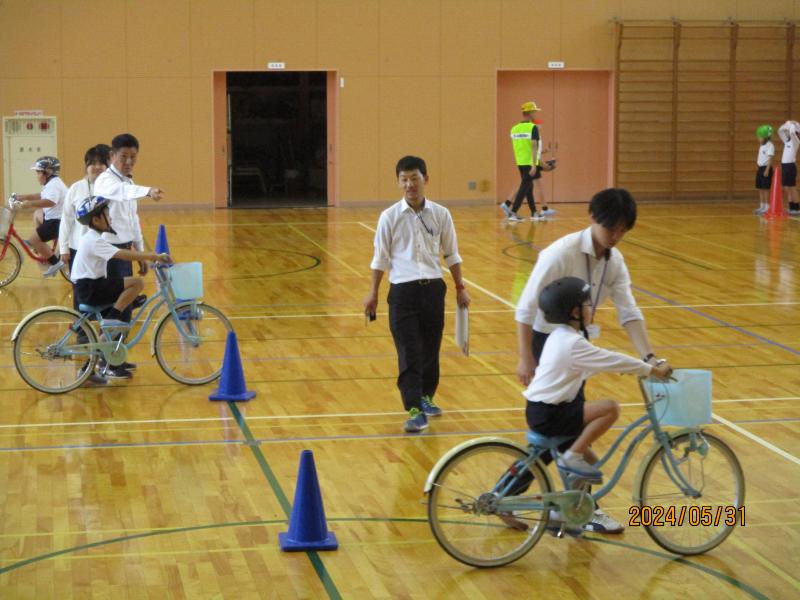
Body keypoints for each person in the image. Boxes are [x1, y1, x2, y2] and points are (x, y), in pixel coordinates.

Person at [515, 187, 670, 534]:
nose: (615, 236)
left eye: (622, 231)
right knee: (563, 434)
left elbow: (629, 311)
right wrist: (525, 358)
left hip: (575, 340)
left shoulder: (614, 261)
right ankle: (579, 509)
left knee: (562, 436)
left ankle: (570, 508)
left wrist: (649, 355)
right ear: (593, 219)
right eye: (610, 228)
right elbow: (525, 309)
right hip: (549, 341)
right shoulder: (561, 253)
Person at [524, 277, 671, 530]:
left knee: (590, 463)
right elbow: (609, 358)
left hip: (542, 410)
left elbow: (582, 367)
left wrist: (626, 368)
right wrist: (650, 369)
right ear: (575, 312)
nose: (592, 308)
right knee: (610, 408)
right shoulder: (573, 342)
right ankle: (571, 456)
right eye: (587, 304)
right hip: (551, 413)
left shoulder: (560, 336)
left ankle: (564, 511)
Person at [364, 155, 471, 433]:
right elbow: (380, 259)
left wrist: (460, 288)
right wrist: (373, 293)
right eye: (404, 179)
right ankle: (413, 408)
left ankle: (426, 397)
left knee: (431, 349)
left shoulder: (441, 214)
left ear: (426, 179)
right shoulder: (389, 217)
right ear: (398, 182)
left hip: (433, 290)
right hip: (402, 293)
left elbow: (452, 254)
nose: (409, 184)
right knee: (409, 350)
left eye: (414, 178)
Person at [70, 196, 170, 379]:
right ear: (96, 220)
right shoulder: (94, 240)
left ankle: (97, 365)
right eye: (107, 214)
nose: (111, 217)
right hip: (90, 288)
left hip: (91, 286)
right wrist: (153, 256)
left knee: (125, 306)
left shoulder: (93, 238)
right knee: (137, 283)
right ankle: (112, 317)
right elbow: (122, 254)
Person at [93, 133, 164, 320]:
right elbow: (123, 192)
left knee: (125, 311)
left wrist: (139, 252)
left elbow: (133, 220)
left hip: (125, 252)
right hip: (110, 254)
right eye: (123, 156)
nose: (129, 162)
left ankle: (115, 336)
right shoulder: (105, 181)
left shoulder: (128, 182)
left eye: (133, 157)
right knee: (115, 308)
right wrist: (148, 191)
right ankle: (106, 337)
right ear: (112, 155)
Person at [59, 144, 111, 291]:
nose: (97, 167)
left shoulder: (113, 189)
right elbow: (66, 219)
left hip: (107, 248)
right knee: (81, 292)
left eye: (101, 163)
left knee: (105, 291)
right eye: (92, 163)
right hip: (79, 248)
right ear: (86, 166)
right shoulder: (76, 188)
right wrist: (63, 248)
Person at [10, 156, 68, 277]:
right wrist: (22, 197)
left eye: (38, 172)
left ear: (48, 173)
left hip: (58, 221)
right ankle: (38, 242)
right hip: (53, 217)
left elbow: (50, 202)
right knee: (37, 214)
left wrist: (29, 204)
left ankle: (55, 262)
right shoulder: (51, 183)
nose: (37, 176)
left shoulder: (54, 185)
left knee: (33, 239)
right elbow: (41, 195)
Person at [501, 101, 555, 222]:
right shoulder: (532, 127)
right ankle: (513, 212)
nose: (536, 113)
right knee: (524, 187)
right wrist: (534, 165)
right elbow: (534, 146)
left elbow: (520, 146)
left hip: (520, 161)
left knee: (528, 186)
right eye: (534, 111)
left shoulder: (514, 129)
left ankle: (534, 212)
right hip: (530, 162)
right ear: (530, 112)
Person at [778, 120, 800, 215]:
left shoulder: (796, 141)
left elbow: (792, 132)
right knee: (787, 188)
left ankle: (797, 208)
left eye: (787, 130)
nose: (785, 132)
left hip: (790, 166)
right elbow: (779, 131)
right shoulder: (787, 141)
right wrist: (787, 124)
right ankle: (792, 207)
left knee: (792, 187)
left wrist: (792, 124)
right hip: (785, 166)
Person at [754, 125, 775, 215]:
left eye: (760, 137)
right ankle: (762, 206)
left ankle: (767, 206)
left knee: (765, 188)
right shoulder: (761, 145)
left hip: (766, 168)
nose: (758, 138)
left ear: (765, 137)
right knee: (760, 188)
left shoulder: (770, 145)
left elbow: (770, 158)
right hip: (760, 168)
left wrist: (767, 169)